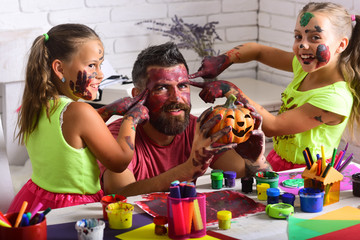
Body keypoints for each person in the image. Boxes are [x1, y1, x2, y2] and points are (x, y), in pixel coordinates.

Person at [189, 2, 360, 171]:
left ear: (341, 45)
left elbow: (273, 126)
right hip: (279, 160)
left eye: (315, 37)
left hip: (309, 173)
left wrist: (230, 90)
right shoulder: (304, 68)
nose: (302, 45)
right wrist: (224, 60)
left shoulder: (335, 98)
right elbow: (258, 51)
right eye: (298, 36)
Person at [99, 42, 272, 197]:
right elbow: (119, 194)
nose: (176, 98)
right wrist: (190, 169)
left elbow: (245, 176)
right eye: (162, 88)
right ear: (137, 96)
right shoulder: (119, 136)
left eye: (182, 86)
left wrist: (256, 160)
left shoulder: (200, 128)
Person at [8, 23, 148, 213]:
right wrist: (132, 119)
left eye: (100, 65)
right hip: (73, 209)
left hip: (37, 200)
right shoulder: (80, 111)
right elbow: (120, 162)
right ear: (60, 68)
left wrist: (108, 110)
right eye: (92, 65)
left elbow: (71, 134)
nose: (101, 74)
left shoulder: (37, 104)